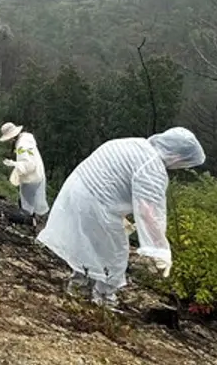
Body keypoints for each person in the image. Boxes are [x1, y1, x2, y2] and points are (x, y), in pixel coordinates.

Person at [37, 127, 205, 310]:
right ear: (177, 157)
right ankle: (103, 299)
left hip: (76, 191)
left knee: (90, 246)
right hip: (96, 204)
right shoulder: (152, 168)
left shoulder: (132, 143)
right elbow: (149, 212)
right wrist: (160, 250)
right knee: (116, 255)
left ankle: (78, 288)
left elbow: (115, 180)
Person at [0, 122, 49, 222]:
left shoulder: (22, 145)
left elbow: (29, 165)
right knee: (29, 203)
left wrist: (14, 164)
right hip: (37, 175)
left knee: (26, 208)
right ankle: (32, 221)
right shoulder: (26, 140)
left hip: (31, 179)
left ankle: (29, 223)